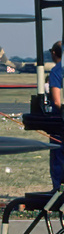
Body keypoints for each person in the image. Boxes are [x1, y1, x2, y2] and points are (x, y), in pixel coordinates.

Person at [49, 42, 63, 192]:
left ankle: (58, 193)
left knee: (58, 160)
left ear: (54, 53)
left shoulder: (56, 71)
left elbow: (57, 100)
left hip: (60, 124)